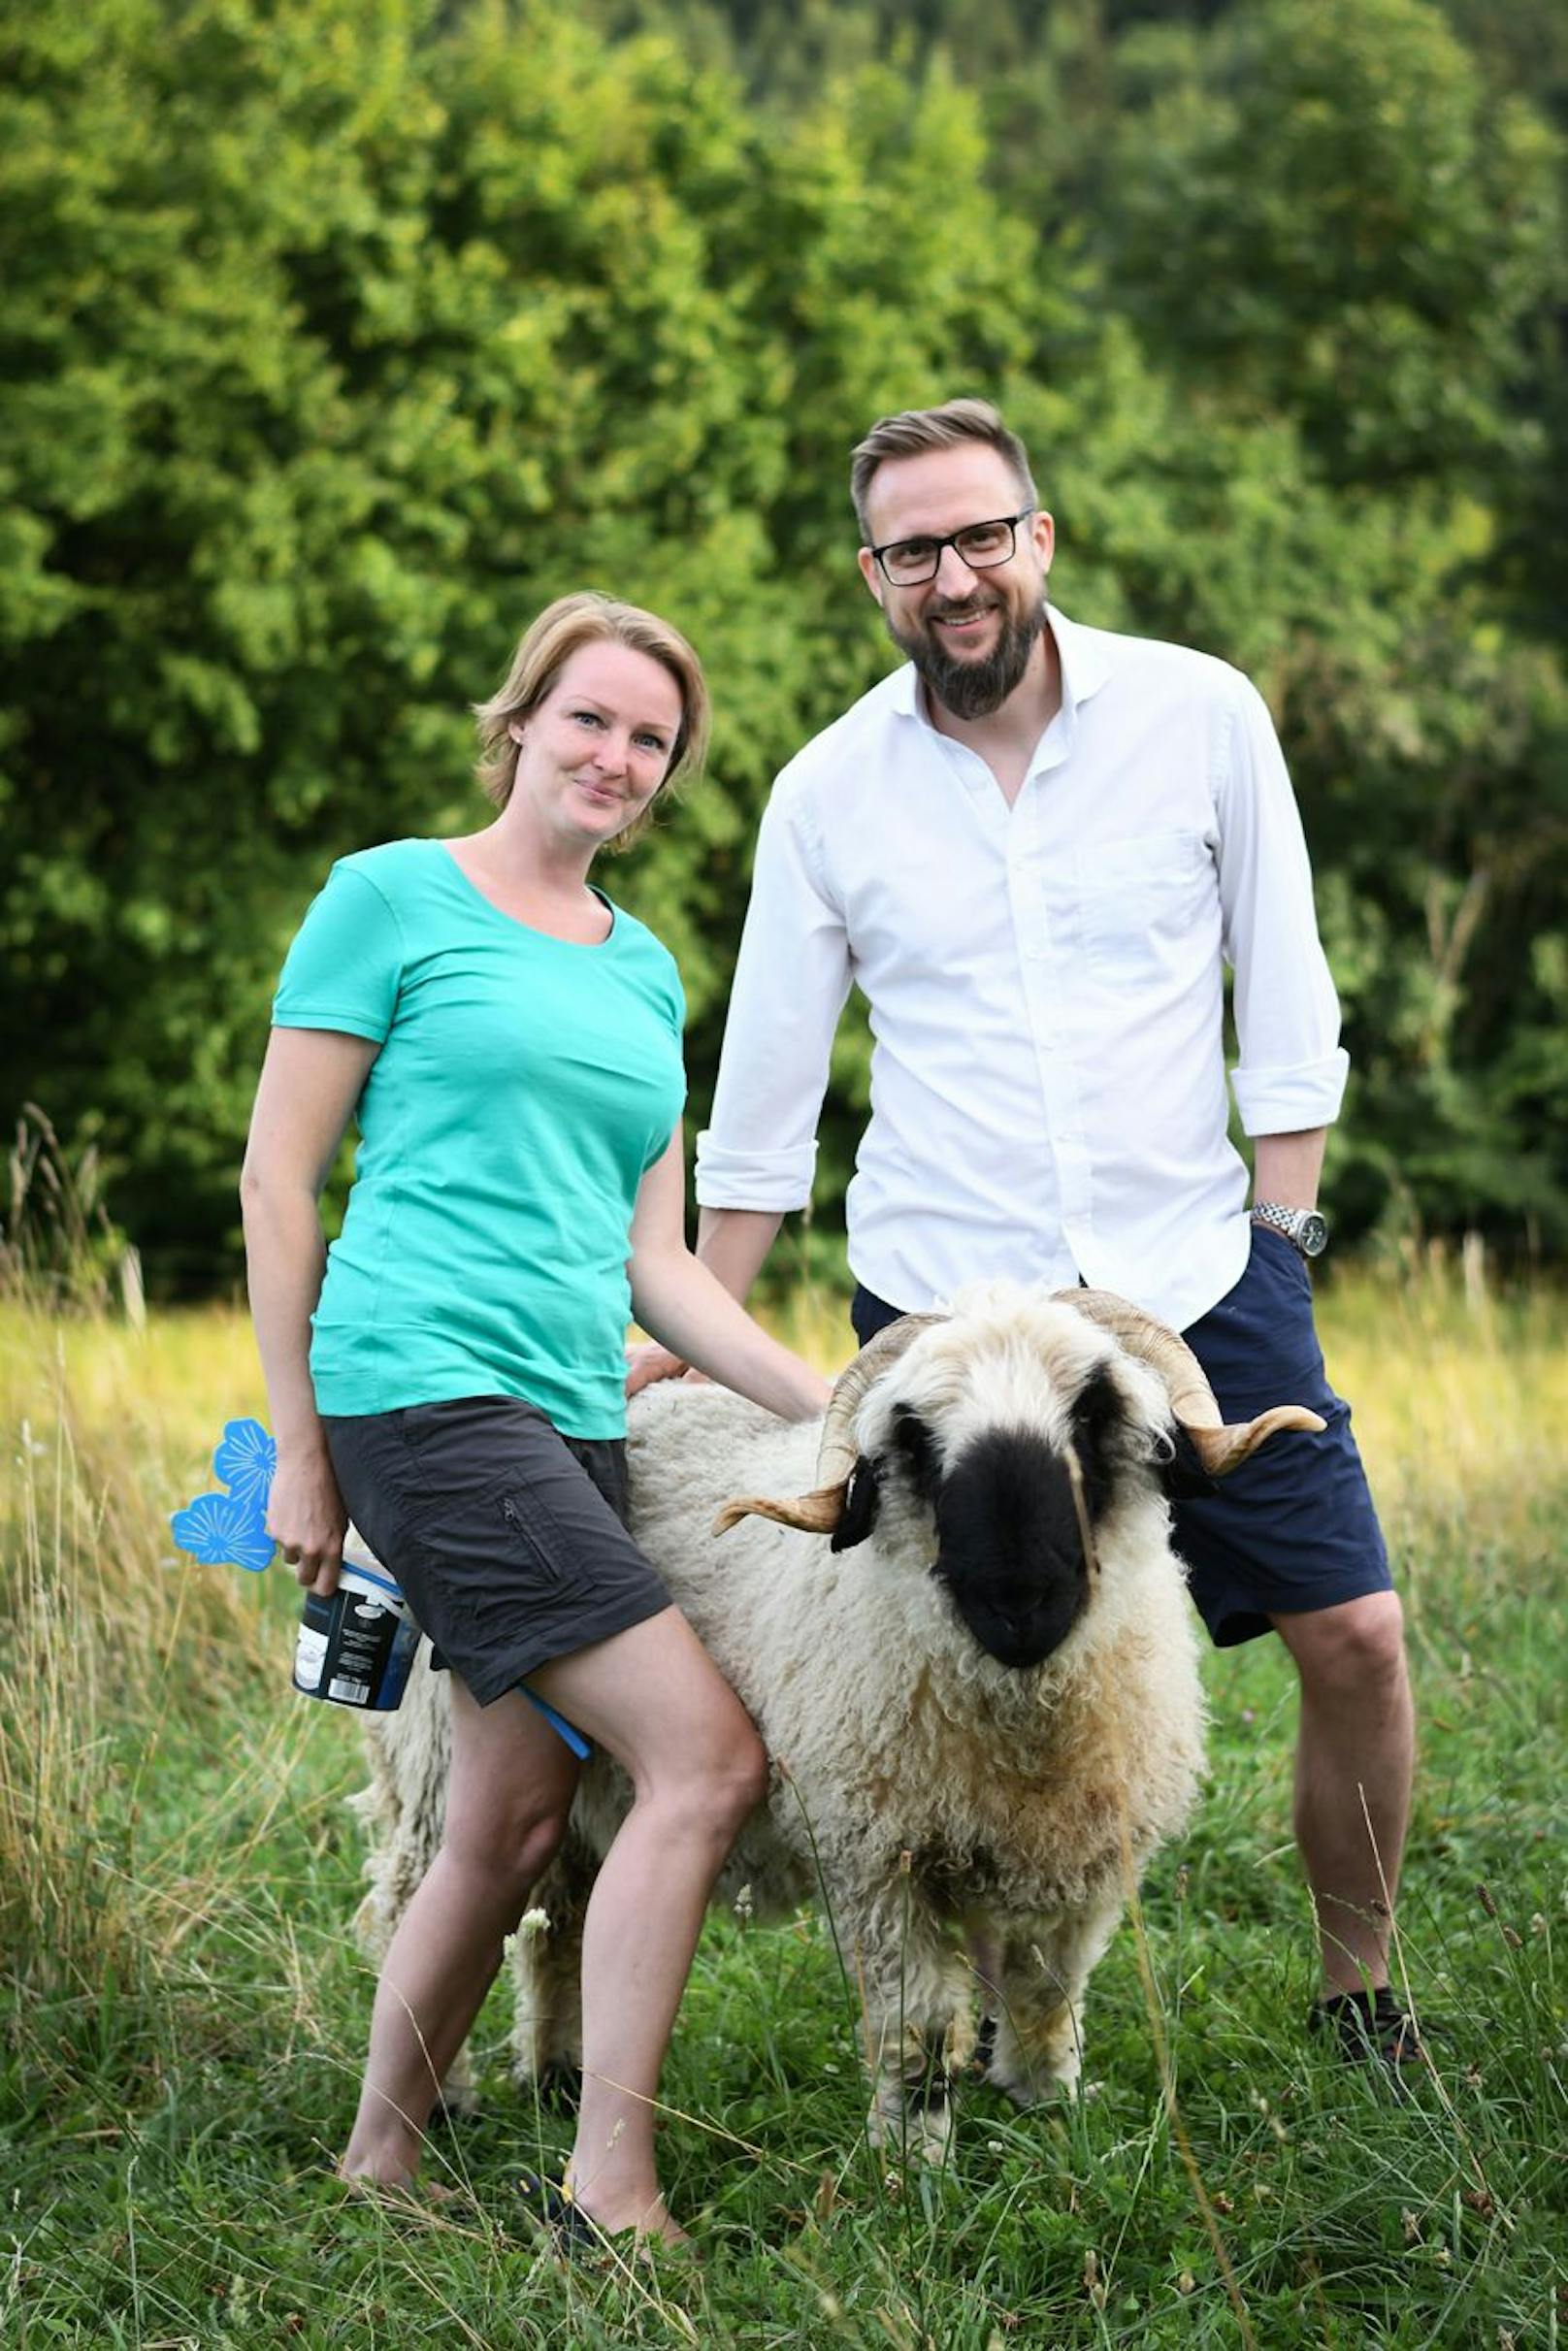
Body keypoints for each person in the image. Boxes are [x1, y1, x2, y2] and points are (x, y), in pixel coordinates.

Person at [634, 399, 1418, 2067]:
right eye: (915, 550)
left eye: (982, 535)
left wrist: (1284, 1242)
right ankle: (1005, 2032)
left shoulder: (1201, 715)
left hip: (1193, 1286)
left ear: (1038, 538)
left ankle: (1362, 1988)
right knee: (964, 1673)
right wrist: (694, 1314)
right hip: (939, 1327)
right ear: (874, 576)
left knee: (1353, 1628)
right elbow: (766, 1110)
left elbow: (1285, 1001)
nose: (955, 575)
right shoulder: (826, 792)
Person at [241, 591, 832, 2244]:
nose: (619, 757)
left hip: (576, 1418)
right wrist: (300, 1443)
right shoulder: (392, 897)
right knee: (704, 1758)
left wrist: (833, 1403)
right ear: (521, 720)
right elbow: (279, 1178)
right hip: (420, 1393)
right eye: (592, 718)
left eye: (653, 740)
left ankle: (376, 2169)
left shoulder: (646, 974)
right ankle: (608, 2187)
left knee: (504, 1821)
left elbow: (660, 1265)